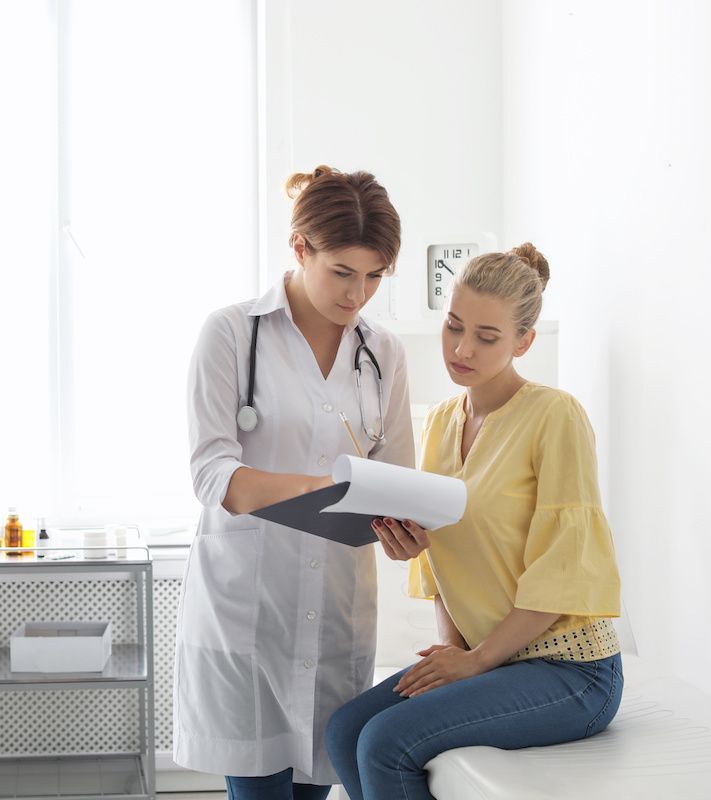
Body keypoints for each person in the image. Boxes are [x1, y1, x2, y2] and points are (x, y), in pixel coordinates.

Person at [324, 243, 624, 800]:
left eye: (487, 338)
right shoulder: (440, 422)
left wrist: (477, 662)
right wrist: (409, 551)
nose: (462, 349)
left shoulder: (555, 416)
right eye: (454, 326)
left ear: (523, 343)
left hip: (570, 671)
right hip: (492, 659)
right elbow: (442, 553)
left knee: (384, 743)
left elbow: (564, 566)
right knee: (345, 731)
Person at [175, 166, 416, 799]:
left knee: (317, 786)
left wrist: (405, 529)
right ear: (301, 247)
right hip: (249, 609)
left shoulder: (382, 353)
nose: (357, 293)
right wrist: (320, 489)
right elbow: (211, 472)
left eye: (374, 276)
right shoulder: (231, 333)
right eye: (342, 271)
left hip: (337, 608)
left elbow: (394, 477)